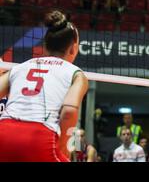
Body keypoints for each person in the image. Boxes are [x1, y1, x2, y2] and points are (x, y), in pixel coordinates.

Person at [0, 10, 88, 161]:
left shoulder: (19, 67)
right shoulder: (76, 74)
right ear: (74, 48)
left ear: (45, 46)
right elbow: (69, 111)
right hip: (39, 136)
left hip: (4, 132)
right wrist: (63, 146)